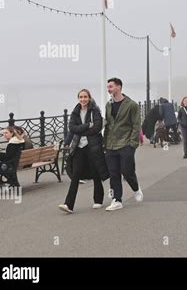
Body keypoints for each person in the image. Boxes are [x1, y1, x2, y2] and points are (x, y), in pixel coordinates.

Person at [58, 89, 109, 214]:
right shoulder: (75, 112)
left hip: (92, 146)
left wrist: (80, 130)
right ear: (78, 98)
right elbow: (71, 128)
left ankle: (98, 199)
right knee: (75, 175)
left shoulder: (95, 111)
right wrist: (86, 126)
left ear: (89, 98)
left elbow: (97, 128)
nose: (83, 99)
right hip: (79, 147)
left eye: (85, 97)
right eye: (81, 97)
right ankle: (68, 204)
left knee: (95, 172)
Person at [104, 78, 143, 211]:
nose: (108, 89)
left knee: (127, 171)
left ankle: (136, 188)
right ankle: (117, 200)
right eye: (108, 87)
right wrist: (105, 142)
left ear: (119, 87)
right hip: (111, 145)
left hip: (126, 143)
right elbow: (108, 125)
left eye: (111, 86)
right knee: (113, 173)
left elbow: (136, 125)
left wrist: (132, 143)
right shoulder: (108, 105)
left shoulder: (131, 105)